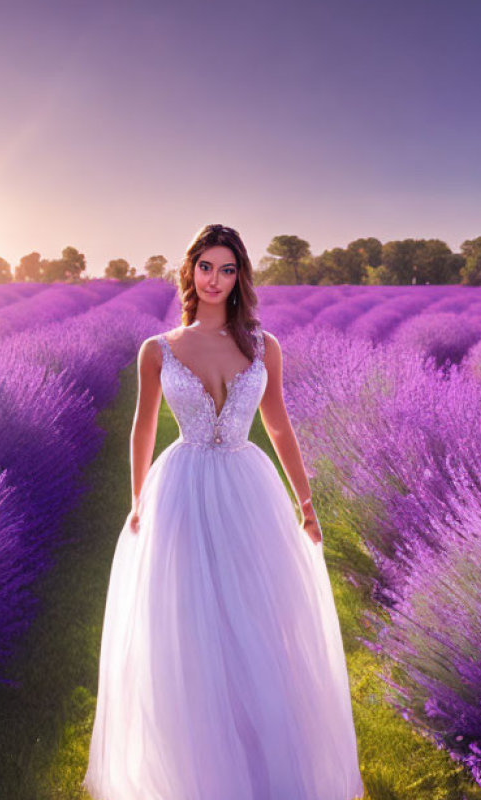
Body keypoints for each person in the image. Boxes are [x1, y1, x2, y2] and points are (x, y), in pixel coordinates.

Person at [83, 224, 365, 799]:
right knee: (189, 620)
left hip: (248, 485)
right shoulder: (157, 350)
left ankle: (262, 759)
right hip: (182, 487)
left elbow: (278, 423)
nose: (215, 279)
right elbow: (142, 427)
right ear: (190, 272)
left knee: (258, 617)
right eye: (206, 267)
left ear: (241, 277)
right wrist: (137, 501)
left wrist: (306, 502)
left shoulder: (264, 345)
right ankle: (198, 769)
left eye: (228, 268)